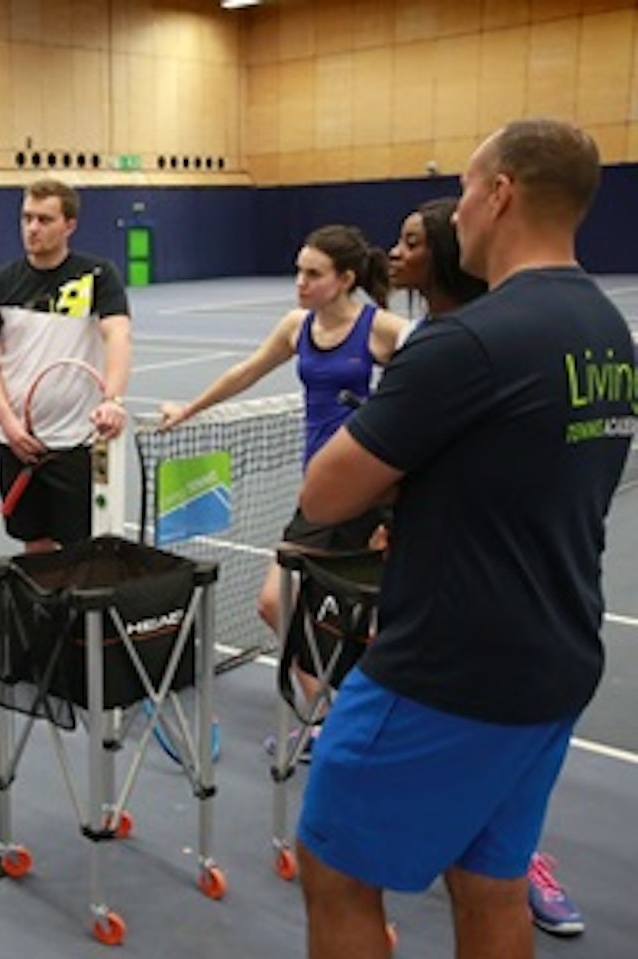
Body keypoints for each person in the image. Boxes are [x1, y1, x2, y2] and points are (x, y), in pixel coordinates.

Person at [295, 118, 632, 959]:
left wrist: (402, 470)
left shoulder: (466, 341)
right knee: (490, 884)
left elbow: (327, 489)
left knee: (333, 870)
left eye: (468, 188)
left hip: (446, 668)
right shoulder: (608, 332)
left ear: (499, 193)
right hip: (555, 656)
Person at [388, 196, 585, 939]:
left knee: (335, 858)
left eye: (411, 240)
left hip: (483, 620)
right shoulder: (426, 339)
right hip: (425, 571)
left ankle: (516, 856)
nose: (395, 252)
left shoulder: (469, 344)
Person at [160, 224, 407, 735]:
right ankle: (327, 719)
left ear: (344, 279)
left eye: (312, 274)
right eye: (298, 271)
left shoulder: (383, 329)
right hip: (318, 495)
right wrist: (190, 408)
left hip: (371, 491)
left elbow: (433, 383)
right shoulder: (297, 326)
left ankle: (356, 719)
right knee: (278, 603)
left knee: (374, 619)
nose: (300, 282)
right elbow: (246, 372)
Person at [0, 178, 132, 553]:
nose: (32, 228)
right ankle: (44, 614)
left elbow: (118, 337)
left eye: (44, 219)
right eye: (27, 218)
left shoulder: (97, 277)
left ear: (69, 225)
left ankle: (78, 615)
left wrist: (113, 399)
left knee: (80, 548)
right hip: (16, 441)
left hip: (76, 444)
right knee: (35, 545)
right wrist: (8, 423)